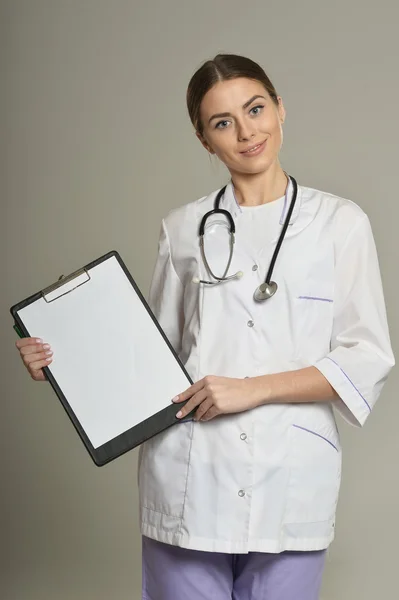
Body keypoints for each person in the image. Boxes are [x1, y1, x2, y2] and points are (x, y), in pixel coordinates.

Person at [16, 54, 395, 600]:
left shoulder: (341, 223)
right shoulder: (181, 228)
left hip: (289, 471)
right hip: (189, 471)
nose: (246, 133)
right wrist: (63, 362)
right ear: (204, 139)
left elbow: (367, 356)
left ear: (280, 109)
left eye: (256, 109)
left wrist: (251, 389)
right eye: (223, 123)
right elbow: (153, 358)